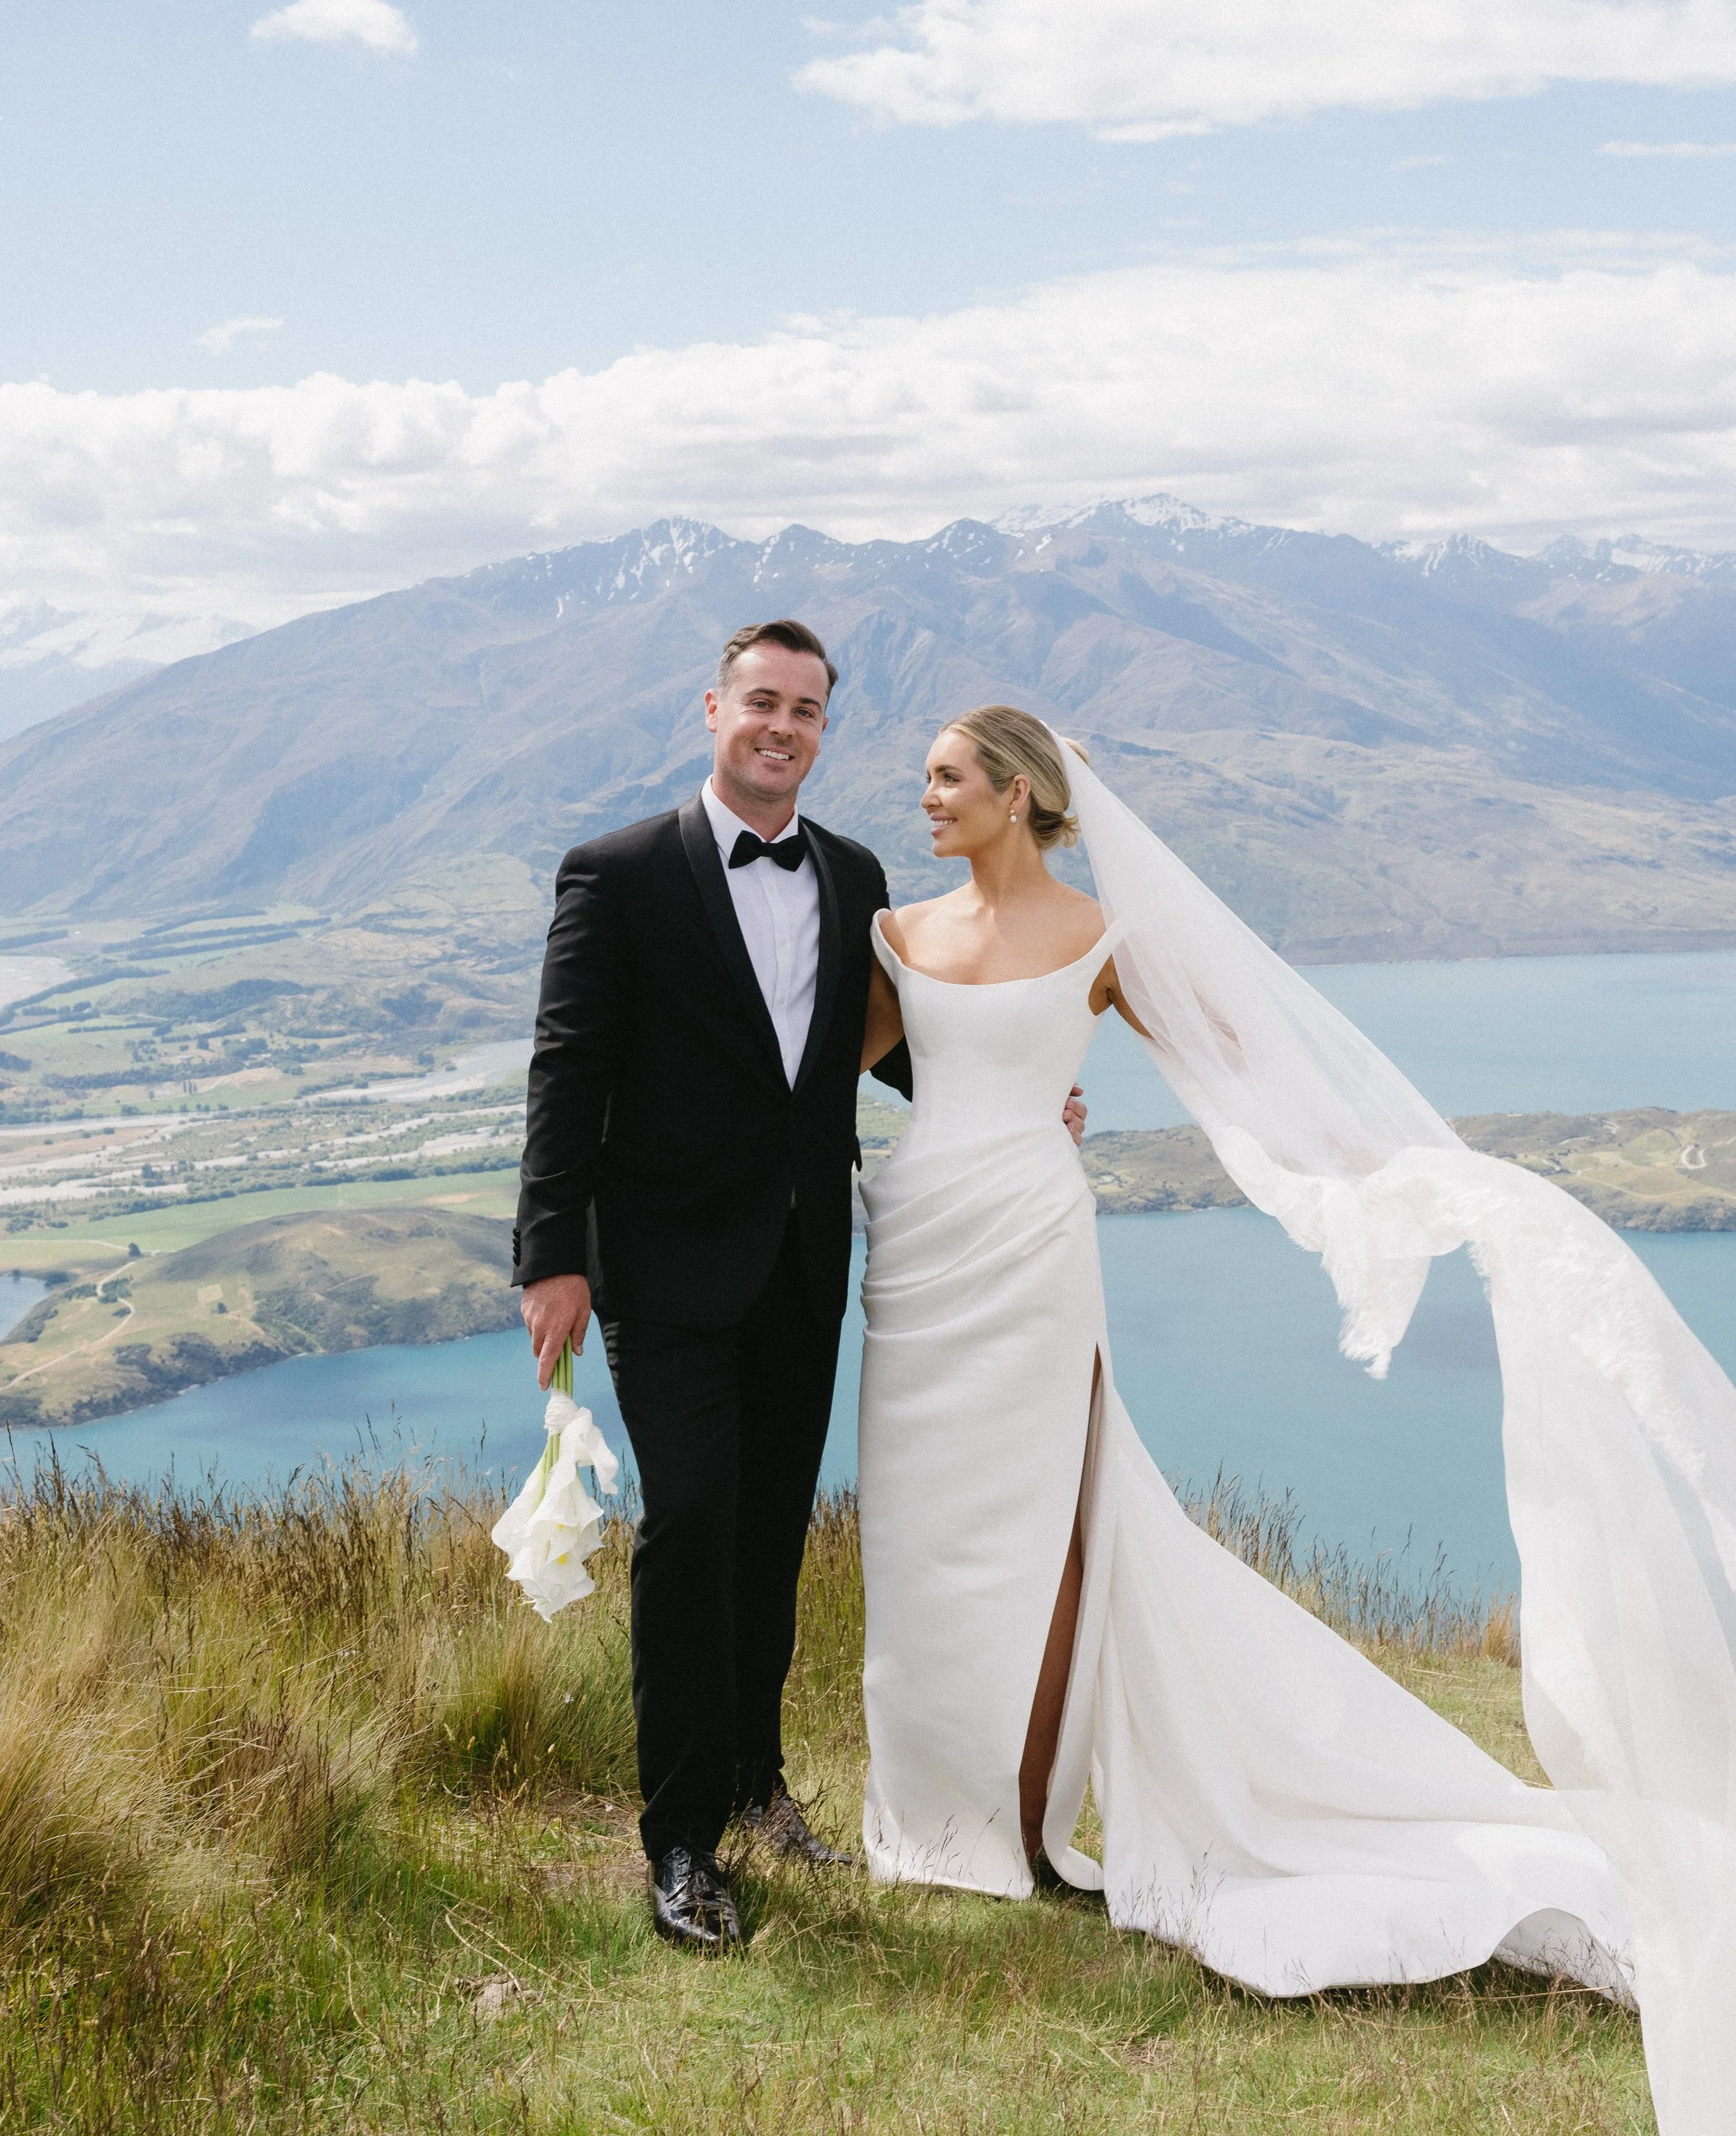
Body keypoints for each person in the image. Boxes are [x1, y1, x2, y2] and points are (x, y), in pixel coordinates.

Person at [854, 703, 1736, 2134]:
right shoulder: (893, 931)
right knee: (911, 1537)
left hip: (1031, 1244)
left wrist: (1381, 1174)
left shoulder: (1098, 937)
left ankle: (1014, 1829)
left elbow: (1229, 1057)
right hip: (918, 1242)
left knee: (1038, 1535)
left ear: (1015, 792)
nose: (926, 795)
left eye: (947, 775)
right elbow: (823, 1069)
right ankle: (924, 1822)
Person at [514, 626, 1083, 1951]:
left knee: (770, 1532)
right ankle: (678, 1845)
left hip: (804, 1267)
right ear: (713, 707)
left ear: (824, 729)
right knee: (693, 1520)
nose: (783, 727)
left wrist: (1003, 1091)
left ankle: (760, 1785)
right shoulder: (615, 875)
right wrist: (555, 1254)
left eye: (808, 712)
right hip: (659, 1270)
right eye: (761, 703)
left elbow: (864, 1052)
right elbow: (569, 1068)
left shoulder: (857, 873)